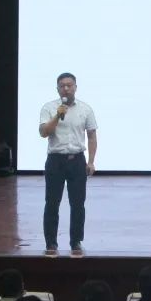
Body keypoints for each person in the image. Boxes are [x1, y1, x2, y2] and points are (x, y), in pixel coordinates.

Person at [39, 72, 98, 257]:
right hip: (55, 161)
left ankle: (76, 242)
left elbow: (91, 136)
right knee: (52, 203)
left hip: (77, 160)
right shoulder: (49, 108)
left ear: (75, 87)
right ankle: (51, 242)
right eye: (62, 86)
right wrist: (58, 115)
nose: (66, 88)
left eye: (69, 85)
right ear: (57, 89)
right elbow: (44, 132)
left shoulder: (85, 109)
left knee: (78, 204)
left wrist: (91, 161)